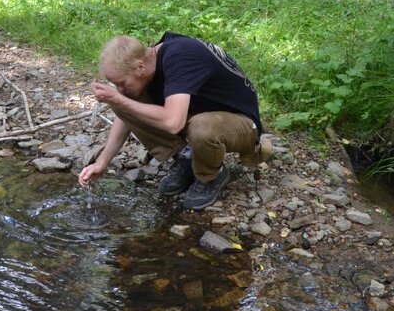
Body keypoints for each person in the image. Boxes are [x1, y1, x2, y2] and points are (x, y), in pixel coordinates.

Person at [77, 33, 266, 210]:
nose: (120, 89)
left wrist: (119, 99)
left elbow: (173, 122)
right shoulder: (149, 61)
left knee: (202, 128)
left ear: (140, 67)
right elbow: (127, 114)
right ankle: (187, 157)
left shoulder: (180, 58)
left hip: (243, 124)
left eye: (121, 83)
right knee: (124, 102)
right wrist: (102, 163)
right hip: (200, 113)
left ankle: (211, 175)